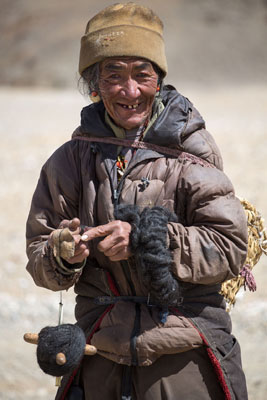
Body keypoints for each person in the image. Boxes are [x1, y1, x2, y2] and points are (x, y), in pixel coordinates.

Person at [26, 3, 249, 399]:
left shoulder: (191, 155)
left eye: (142, 75)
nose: (131, 91)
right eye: (114, 76)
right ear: (94, 85)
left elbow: (230, 247)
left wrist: (147, 240)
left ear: (158, 81)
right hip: (100, 353)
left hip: (185, 353)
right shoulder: (70, 161)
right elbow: (40, 259)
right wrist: (63, 254)